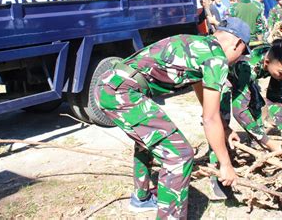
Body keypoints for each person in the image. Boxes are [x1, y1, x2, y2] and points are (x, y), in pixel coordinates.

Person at [94, 17, 250, 218]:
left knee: (149, 141)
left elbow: (203, 96)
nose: (239, 58)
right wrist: (226, 165)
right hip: (123, 92)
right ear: (237, 43)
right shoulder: (216, 59)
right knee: (179, 154)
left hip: (110, 85)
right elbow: (209, 119)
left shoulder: (197, 44)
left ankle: (141, 198)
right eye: (242, 52)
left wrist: (226, 128)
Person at [209, 39, 282, 197]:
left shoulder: (280, 64)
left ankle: (257, 147)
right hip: (224, 78)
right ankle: (217, 171)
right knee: (220, 121)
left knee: (257, 103)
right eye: (281, 73)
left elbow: (274, 97)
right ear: (267, 62)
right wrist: (268, 142)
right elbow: (239, 110)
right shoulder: (247, 67)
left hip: (246, 81)